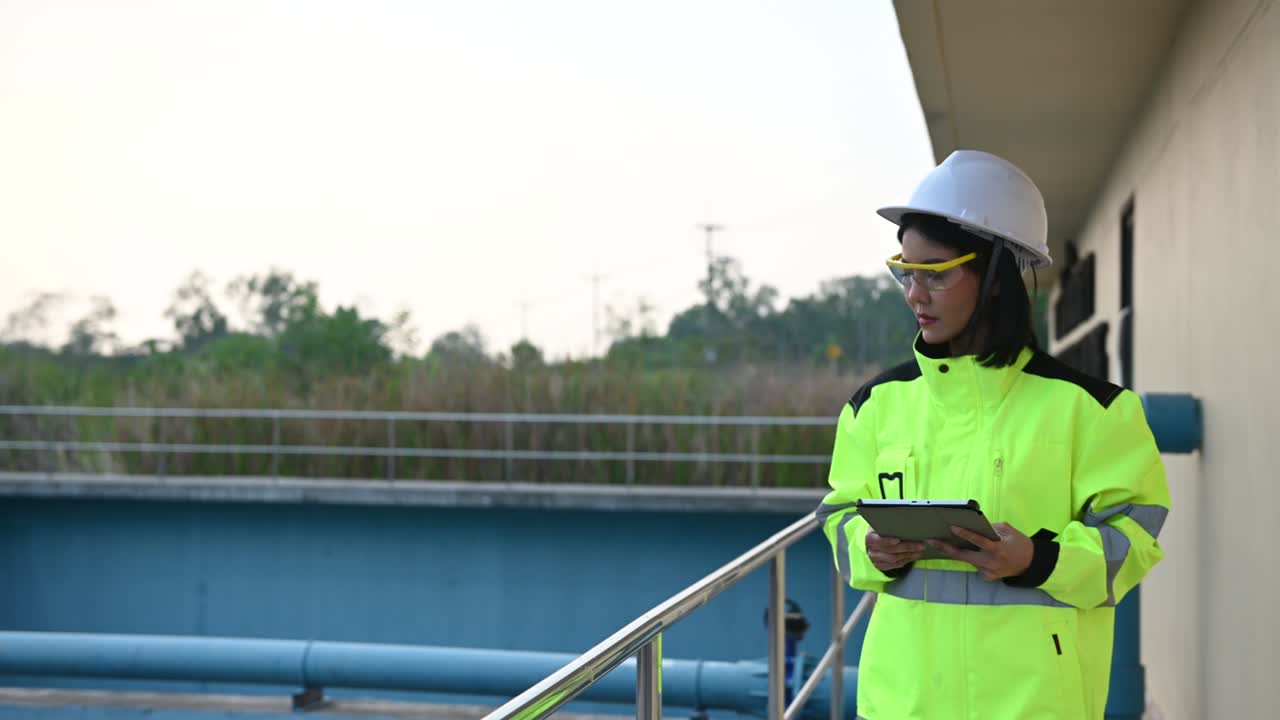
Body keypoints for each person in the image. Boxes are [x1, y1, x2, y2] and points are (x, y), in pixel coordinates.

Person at [816, 150, 1170, 720]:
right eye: (906, 271)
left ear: (998, 278)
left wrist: (1038, 558)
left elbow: (1133, 543)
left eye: (937, 273)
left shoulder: (1095, 411)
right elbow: (838, 518)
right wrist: (870, 547)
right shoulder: (874, 408)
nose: (915, 293)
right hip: (901, 702)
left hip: (1035, 702)